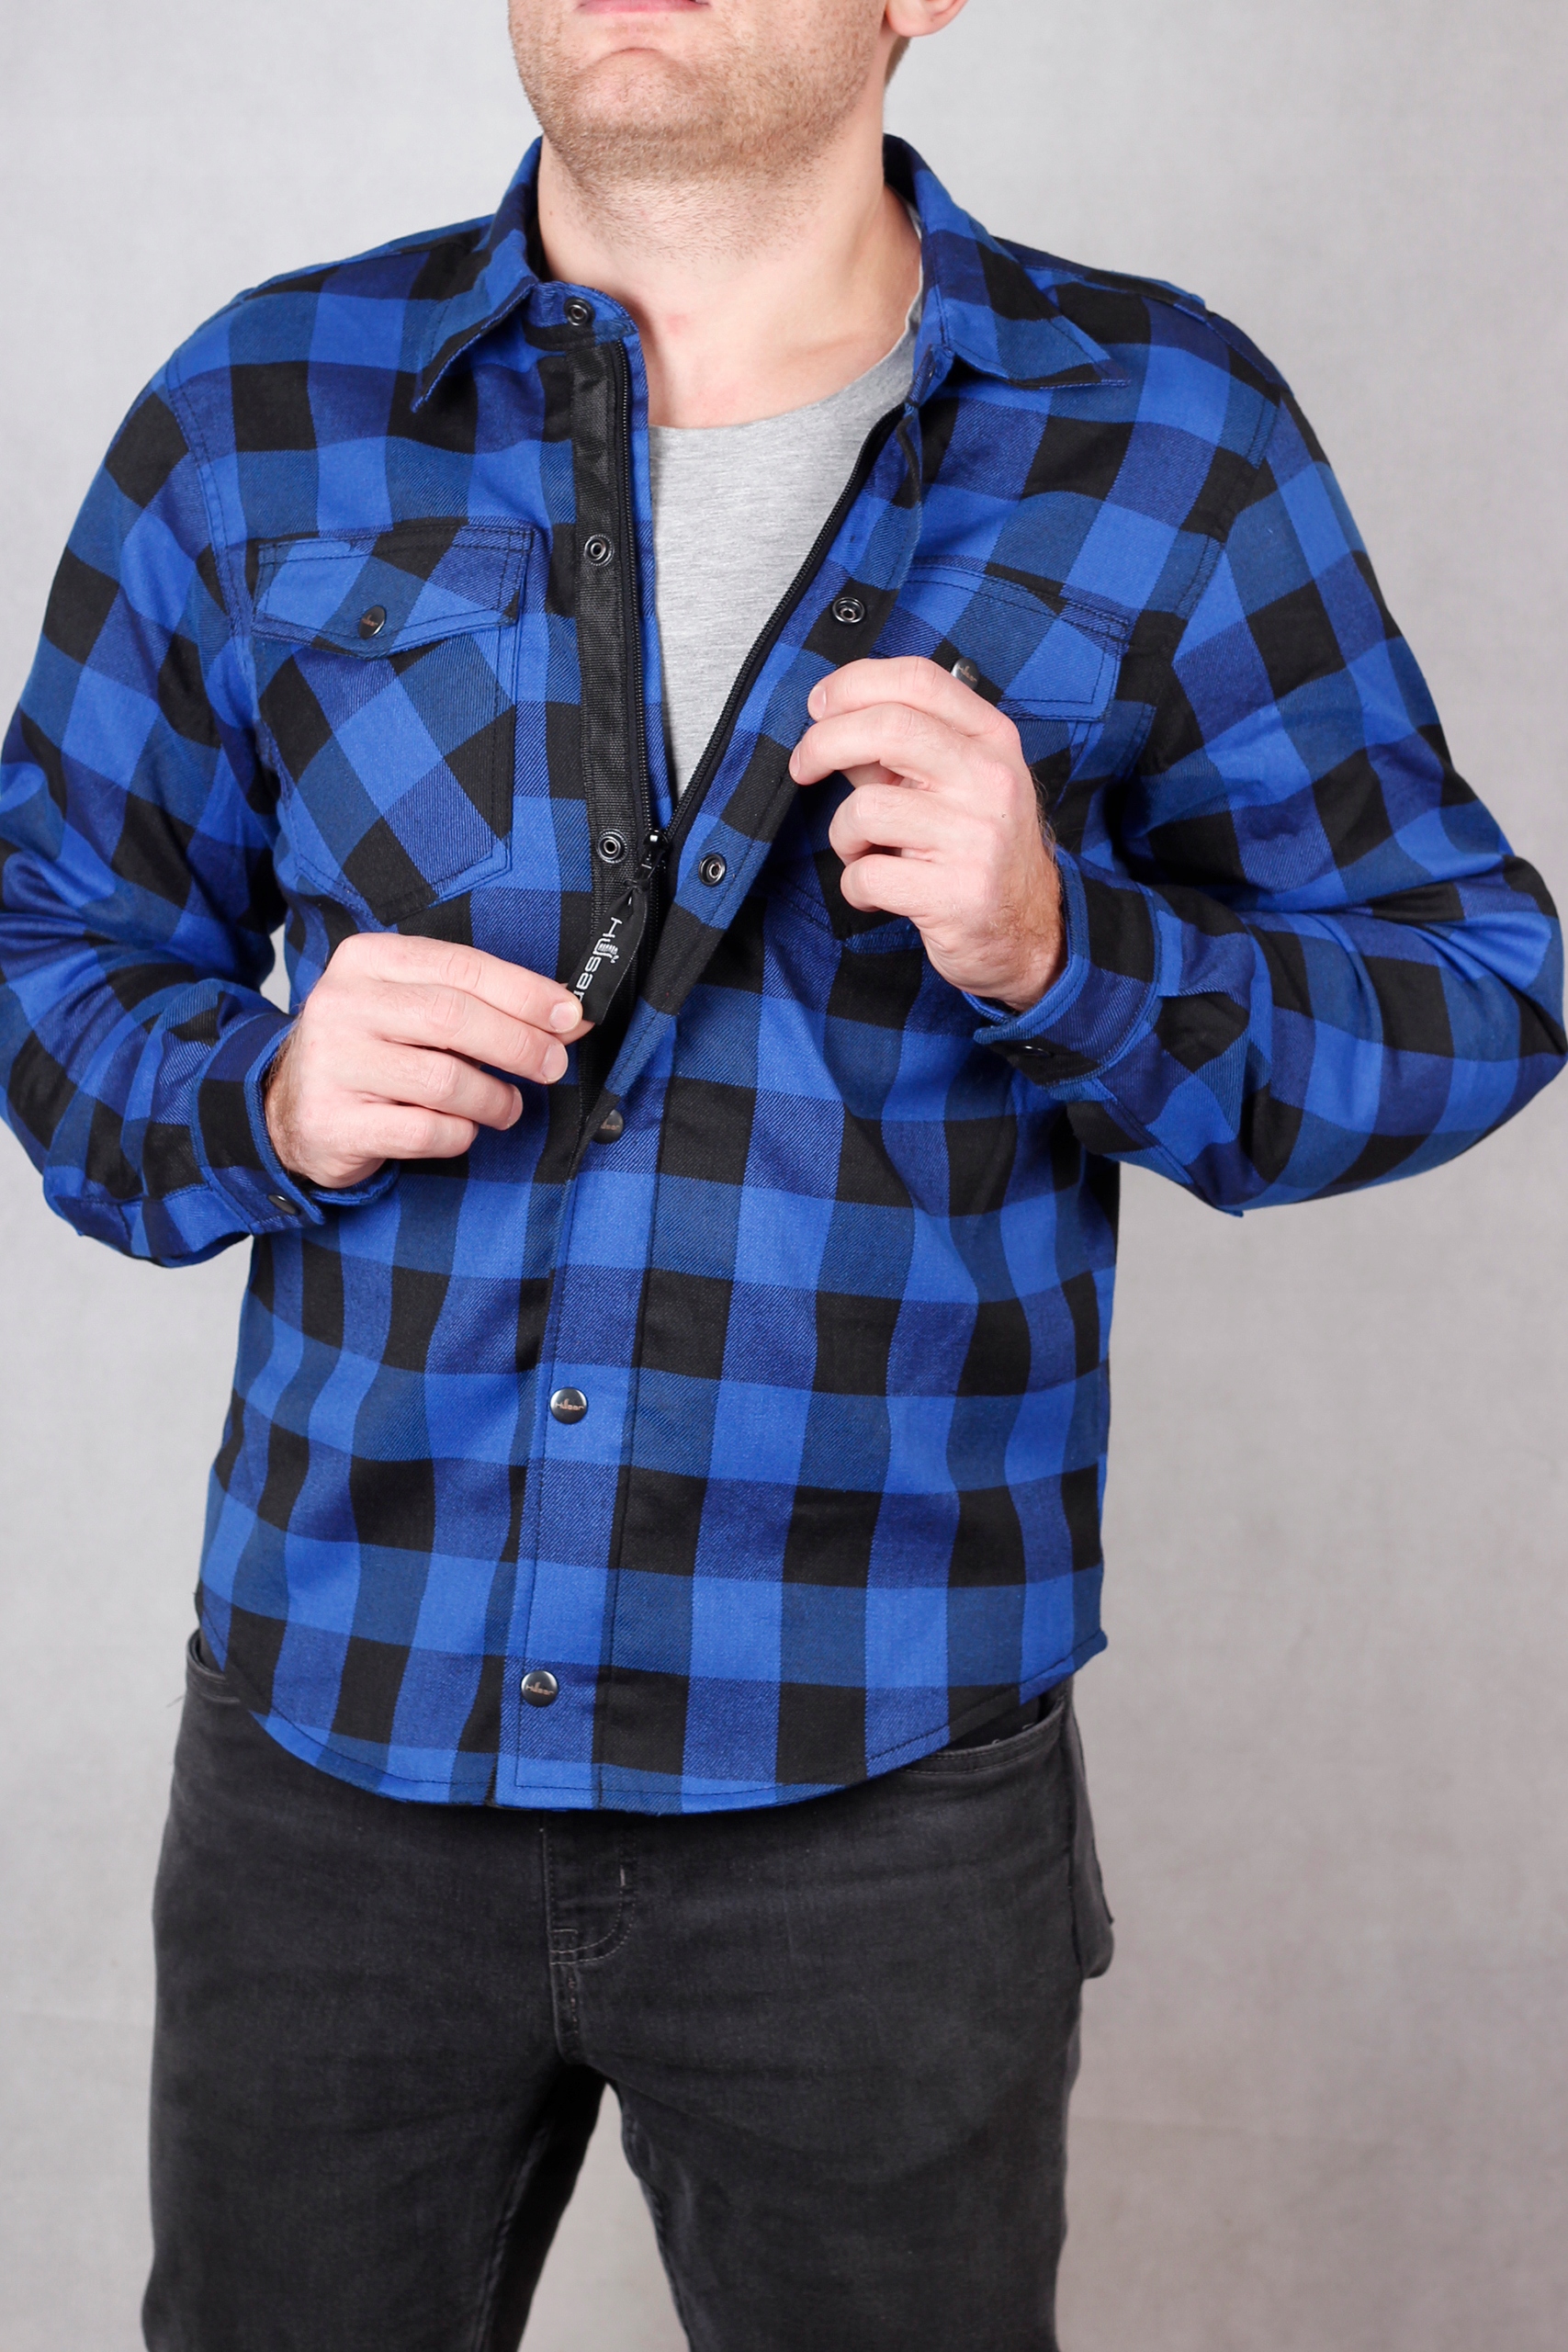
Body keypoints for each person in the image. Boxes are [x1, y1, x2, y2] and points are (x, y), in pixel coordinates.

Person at [1, 0, 1562, 2344]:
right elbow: (50, 937)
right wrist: (257, 1095)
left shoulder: (1159, 434)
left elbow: (1467, 990)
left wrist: (1070, 949)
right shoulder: (262, 408)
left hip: (876, 1790)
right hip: (339, 1756)